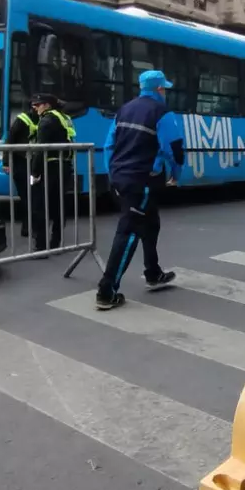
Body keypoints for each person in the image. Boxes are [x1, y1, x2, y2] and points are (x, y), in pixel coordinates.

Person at [95, 70, 185, 311]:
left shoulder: (124, 109)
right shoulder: (162, 113)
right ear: (159, 90)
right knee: (128, 232)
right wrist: (176, 175)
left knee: (150, 222)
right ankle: (107, 290)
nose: (165, 92)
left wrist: (112, 173)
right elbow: (174, 149)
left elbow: (108, 145)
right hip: (142, 182)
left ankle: (153, 273)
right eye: (164, 88)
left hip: (120, 179)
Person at [28, 93, 77, 256]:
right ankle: (56, 243)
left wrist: (35, 173)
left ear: (47, 105)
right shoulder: (63, 117)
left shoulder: (47, 120)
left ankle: (40, 246)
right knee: (58, 206)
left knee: (40, 206)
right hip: (64, 166)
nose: (34, 107)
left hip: (50, 168)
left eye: (38, 104)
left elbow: (40, 149)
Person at [5, 94, 42, 239]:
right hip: (21, 165)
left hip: (34, 165)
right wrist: (6, 163)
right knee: (27, 197)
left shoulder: (43, 118)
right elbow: (10, 141)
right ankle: (28, 228)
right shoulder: (22, 120)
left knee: (32, 197)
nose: (37, 107)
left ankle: (28, 228)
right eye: (36, 105)